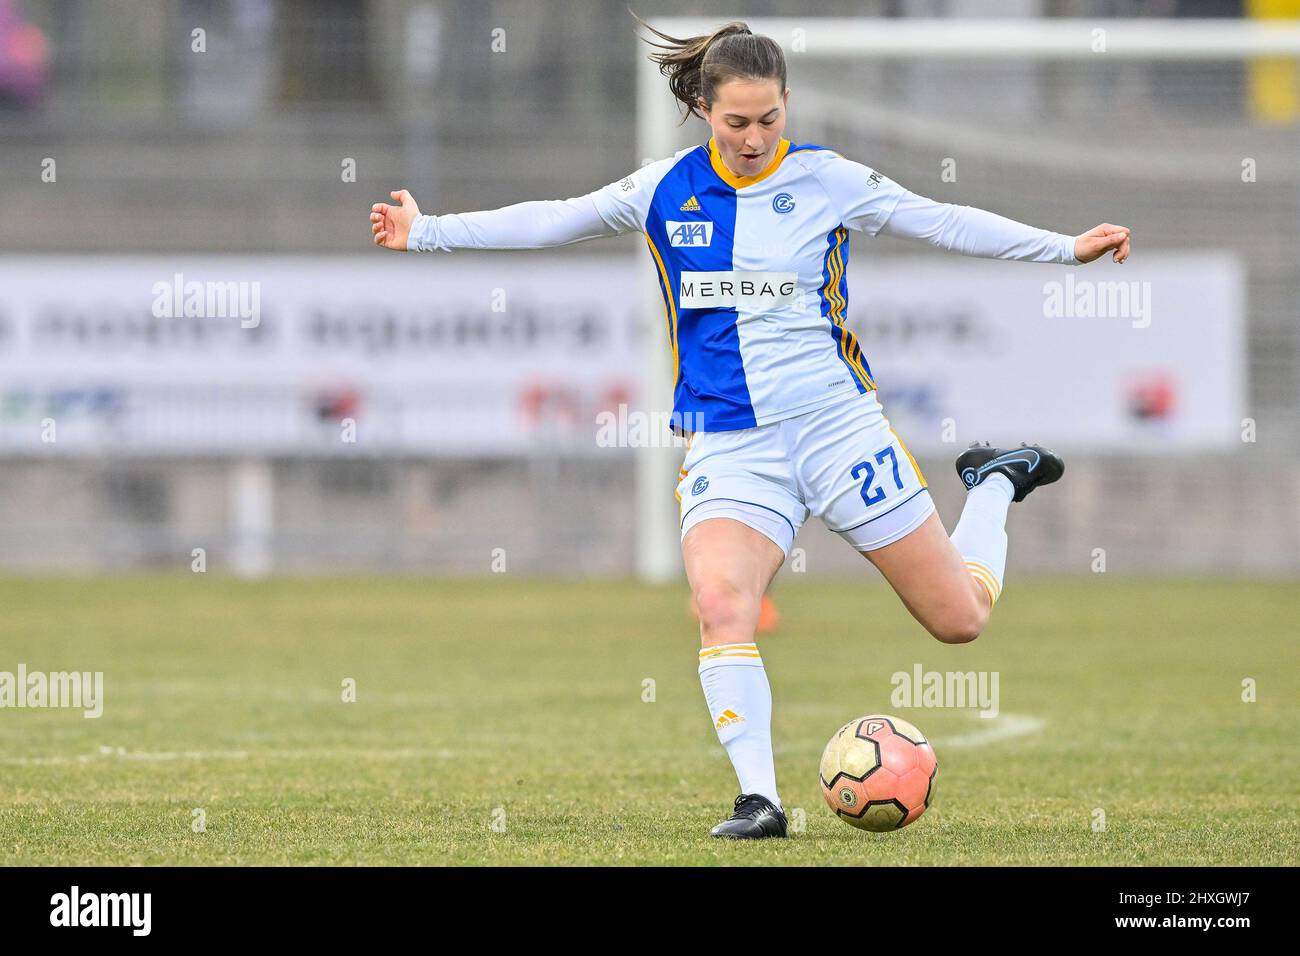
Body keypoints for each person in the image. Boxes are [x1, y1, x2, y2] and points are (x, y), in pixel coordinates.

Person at [369, 18, 1131, 839]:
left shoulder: (828, 180)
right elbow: (555, 218)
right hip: (732, 445)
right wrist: (430, 233)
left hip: (839, 430)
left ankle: (993, 483)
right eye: (737, 122)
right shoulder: (663, 190)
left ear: (786, 105)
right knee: (720, 604)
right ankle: (760, 801)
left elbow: (940, 219)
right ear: (703, 109)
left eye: (769, 119)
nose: (755, 137)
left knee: (959, 620)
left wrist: (1064, 249)